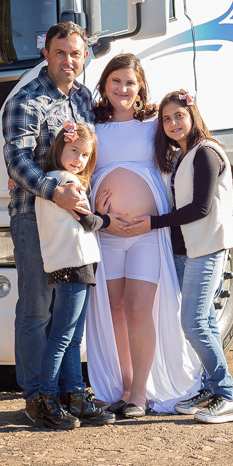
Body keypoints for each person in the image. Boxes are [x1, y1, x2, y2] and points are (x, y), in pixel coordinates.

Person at [85, 54, 200, 416]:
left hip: (146, 232)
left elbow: (186, 138)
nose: (122, 88)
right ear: (104, 84)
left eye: (130, 82)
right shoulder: (92, 125)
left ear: (141, 87)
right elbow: (74, 164)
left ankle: (139, 394)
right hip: (108, 232)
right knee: (114, 309)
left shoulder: (153, 123)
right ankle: (122, 386)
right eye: (115, 81)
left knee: (139, 308)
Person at [122, 89, 233, 423]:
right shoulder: (182, 154)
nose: (174, 123)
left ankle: (226, 395)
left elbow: (200, 208)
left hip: (207, 248)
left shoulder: (205, 153)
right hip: (188, 249)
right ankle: (211, 388)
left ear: (193, 116)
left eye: (180, 116)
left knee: (193, 323)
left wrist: (153, 223)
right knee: (203, 323)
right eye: (166, 118)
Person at [2, 21, 99, 423]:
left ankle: (68, 392)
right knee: (37, 309)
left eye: (75, 53)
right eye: (60, 52)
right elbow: (16, 160)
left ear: (84, 57)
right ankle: (35, 398)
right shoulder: (27, 100)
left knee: (70, 314)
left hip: (73, 222)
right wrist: (51, 189)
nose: (68, 60)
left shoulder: (84, 99)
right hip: (33, 217)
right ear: (46, 54)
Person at [32, 121, 117, 430]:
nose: (79, 159)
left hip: (76, 264)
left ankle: (75, 395)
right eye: (74, 150)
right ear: (60, 149)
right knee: (62, 337)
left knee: (71, 338)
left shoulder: (57, 180)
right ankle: (48, 399)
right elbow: (88, 222)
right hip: (73, 264)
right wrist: (108, 216)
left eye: (85, 155)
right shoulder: (64, 182)